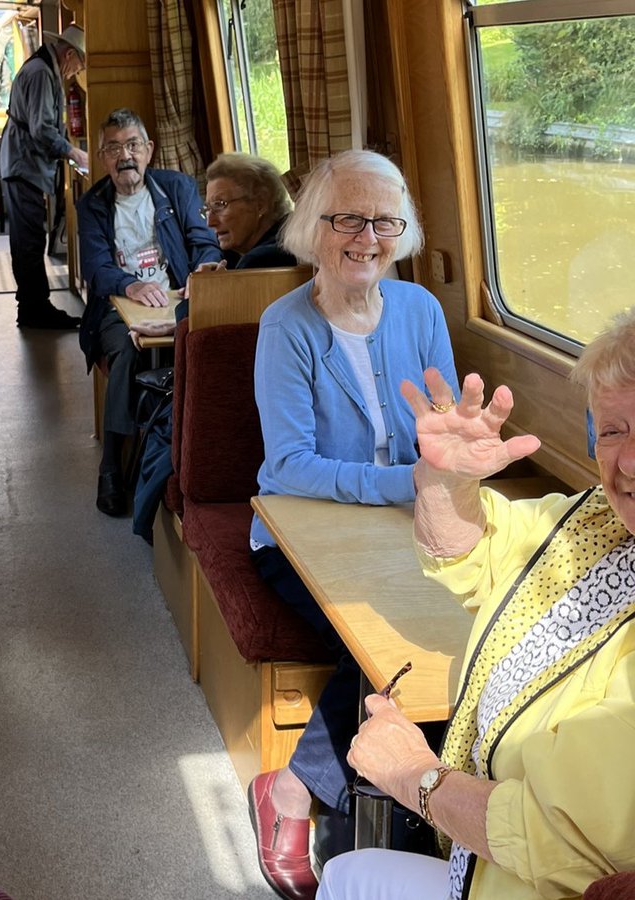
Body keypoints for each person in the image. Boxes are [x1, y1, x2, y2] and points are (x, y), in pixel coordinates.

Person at [319, 308, 635, 899]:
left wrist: (415, 775)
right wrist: (445, 483)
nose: (629, 461)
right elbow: (474, 553)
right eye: (614, 431)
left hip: (534, 885)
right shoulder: (597, 521)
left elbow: (548, 837)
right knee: (344, 874)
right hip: (480, 866)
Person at [246, 149, 458, 900]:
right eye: (348, 219)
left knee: (458, 640)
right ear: (314, 227)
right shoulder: (286, 326)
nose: (368, 238)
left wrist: (452, 464)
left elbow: (441, 431)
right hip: (297, 536)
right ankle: (294, 793)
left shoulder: (421, 311)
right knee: (381, 651)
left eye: (385, 222)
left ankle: (423, 813)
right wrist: (404, 482)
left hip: (405, 528)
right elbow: (289, 466)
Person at [131, 152, 296, 540]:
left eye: (221, 205)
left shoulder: (264, 261)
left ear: (260, 203)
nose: (209, 221)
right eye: (208, 208)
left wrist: (203, 293)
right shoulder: (278, 245)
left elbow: (197, 333)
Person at [76, 107, 221, 517]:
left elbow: (204, 242)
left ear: (149, 150)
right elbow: (95, 268)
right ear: (102, 158)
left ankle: (178, 456)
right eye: (114, 148)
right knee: (127, 350)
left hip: (179, 298)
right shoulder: (93, 205)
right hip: (116, 308)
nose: (125, 156)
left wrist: (200, 274)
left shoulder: (176, 188)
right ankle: (111, 467)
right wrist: (130, 285)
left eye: (133, 145)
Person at [0, 23, 89, 329]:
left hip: (24, 165)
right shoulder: (40, 73)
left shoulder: (44, 68)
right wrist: (73, 152)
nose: (75, 73)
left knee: (29, 238)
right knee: (29, 241)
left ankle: (32, 306)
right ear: (69, 54)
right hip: (23, 165)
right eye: (78, 66)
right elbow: (41, 129)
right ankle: (34, 310)